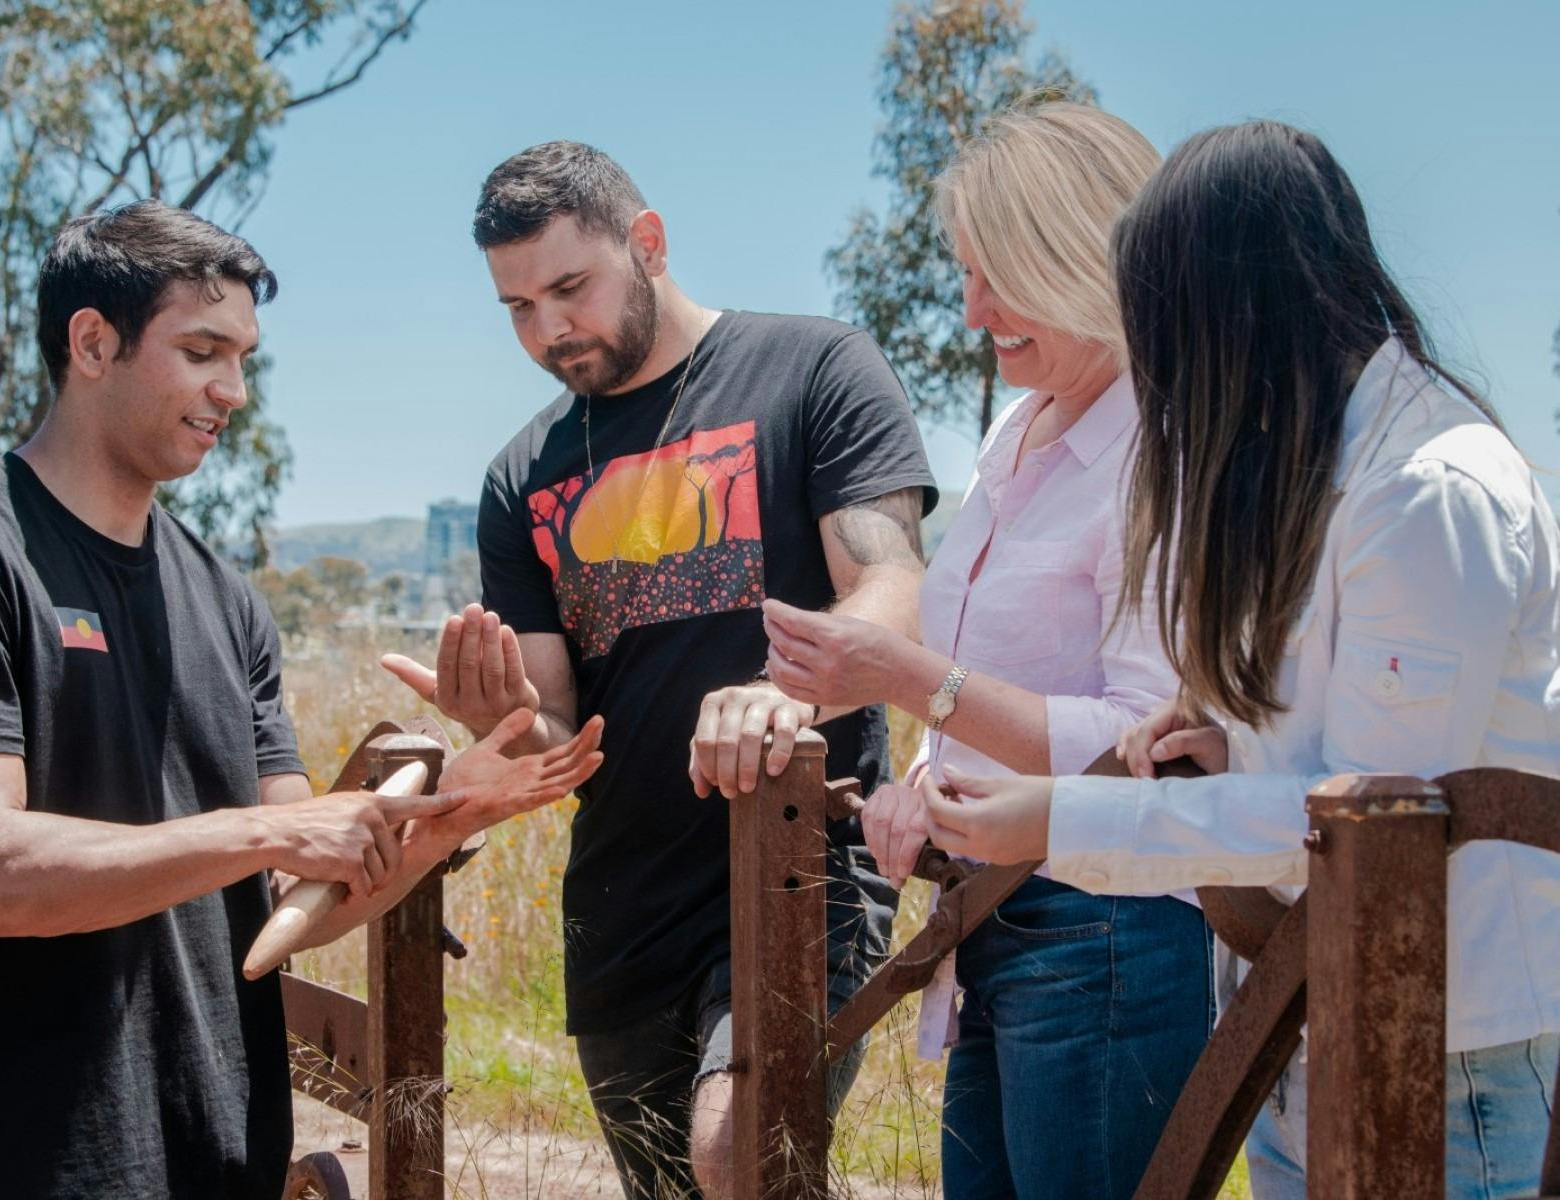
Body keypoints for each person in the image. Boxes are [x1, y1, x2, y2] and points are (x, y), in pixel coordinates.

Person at [0, 200, 604, 1200]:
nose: (231, 390)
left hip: (217, 1158)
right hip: (17, 1162)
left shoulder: (224, 600)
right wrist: (263, 837)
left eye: (242, 358)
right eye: (202, 351)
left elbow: (288, 901)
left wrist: (444, 811)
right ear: (92, 342)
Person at [923, 121, 1560, 1199]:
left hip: (1451, 1070)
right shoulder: (1335, 462)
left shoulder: (1426, 494)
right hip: (1312, 1029)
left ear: (1233, 311)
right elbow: (1340, 752)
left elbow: (1370, 832)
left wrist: (1063, 818)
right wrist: (1226, 737)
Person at [380, 140, 934, 1198]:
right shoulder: (520, 474)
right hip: (622, 907)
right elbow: (553, 728)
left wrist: (786, 692)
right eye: (516, 308)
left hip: (795, 869)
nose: (547, 331)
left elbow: (892, 594)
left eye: (567, 289)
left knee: (736, 1158)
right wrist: (499, 724)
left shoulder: (814, 369)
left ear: (648, 243)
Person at [759, 103, 1212, 1200]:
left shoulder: (1163, 450)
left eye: (996, 275)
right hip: (993, 917)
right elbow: (986, 665)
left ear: (1084, 256)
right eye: (964, 274)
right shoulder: (1020, 429)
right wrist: (922, 782)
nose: (970, 311)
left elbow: (1146, 741)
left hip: (1105, 923)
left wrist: (906, 681)